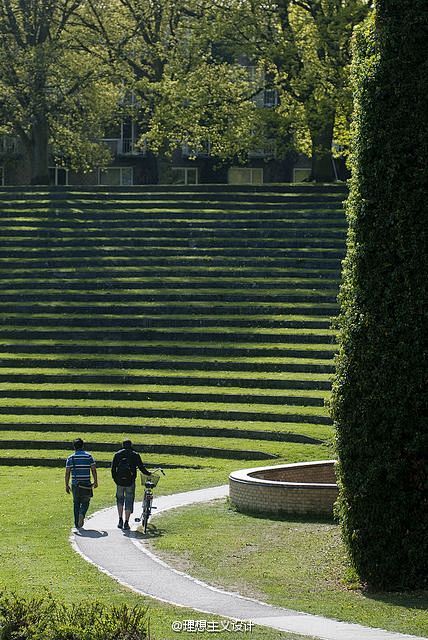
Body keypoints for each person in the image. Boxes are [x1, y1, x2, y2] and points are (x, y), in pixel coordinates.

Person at [111, 440, 151, 530]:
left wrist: (115, 479)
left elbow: (113, 469)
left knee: (120, 499)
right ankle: (126, 522)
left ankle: (120, 519)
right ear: (131, 445)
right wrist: (148, 473)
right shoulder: (135, 454)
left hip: (119, 482)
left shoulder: (117, 454)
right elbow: (141, 467)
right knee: (129, 500)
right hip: (130, 481)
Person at [65, 438, 98, 530]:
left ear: (74, 447)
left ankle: (77, 524)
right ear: (83, 446)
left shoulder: (71, 458)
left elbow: (67, 472)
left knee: (76, 503)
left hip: (75, 484)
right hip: (86, 483)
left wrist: (66, 485)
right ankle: (82, 514)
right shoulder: (88, 456)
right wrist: (95, 481)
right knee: (86, 502)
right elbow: (93, 470)